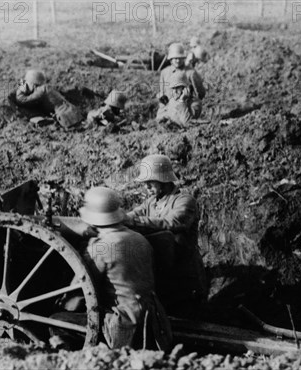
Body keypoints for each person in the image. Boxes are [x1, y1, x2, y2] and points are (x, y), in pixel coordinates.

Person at [52, 187, 172, 350]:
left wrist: (60, 302)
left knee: (57, 320)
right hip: (153, 319)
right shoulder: (140, 239)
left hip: (122, 322)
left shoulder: (101, 247)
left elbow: (81, 290)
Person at [124, 154, 208, 318]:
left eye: (151, 182)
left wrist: (134, 221)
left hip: (184, 277)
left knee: (188, 321)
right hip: (162, 275)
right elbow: (132, 215)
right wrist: (119, 218)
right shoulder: (151, 202)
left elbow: (173, 222)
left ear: (164, 179)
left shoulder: (184, 200)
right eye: (145, 183)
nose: (147, 187)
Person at [157, 43, 206, 120]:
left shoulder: (191, 72)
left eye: (180, 58)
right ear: (170, 59)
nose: (177, 60)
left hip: (185, 107)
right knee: (161, 120)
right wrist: (161, 97)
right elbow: (161, 91)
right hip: (168, 107)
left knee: (186, 120)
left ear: (183, 58)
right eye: (175, 58)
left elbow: (201, 93)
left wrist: (188, 99)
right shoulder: (164, 72)